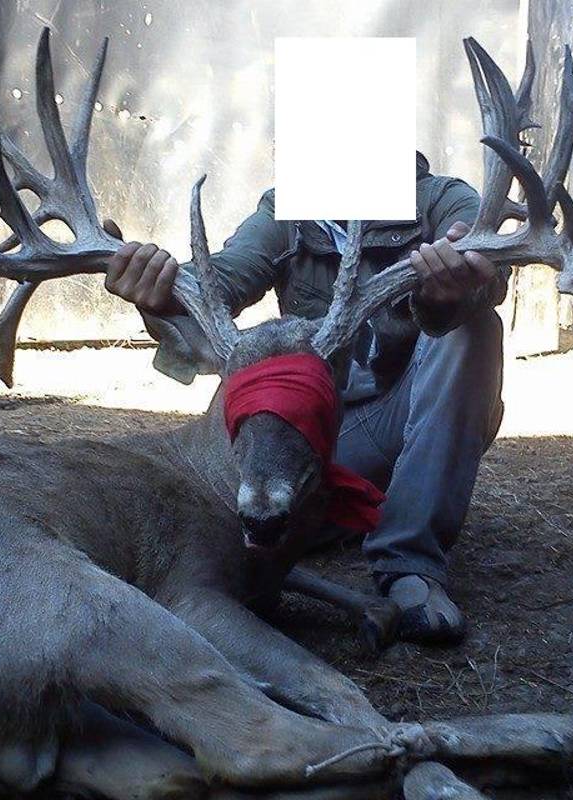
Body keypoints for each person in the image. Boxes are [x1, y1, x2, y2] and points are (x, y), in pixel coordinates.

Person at [105, 153, 507, 644]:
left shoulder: (441, 200)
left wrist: (460, 280)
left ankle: (409, 565)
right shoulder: (287, 211)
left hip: (406, 418)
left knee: (472, 330)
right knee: (252, 360)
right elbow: (226, 276)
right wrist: (162, 288)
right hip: (314, 436)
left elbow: (485, 267)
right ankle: (310, 512)